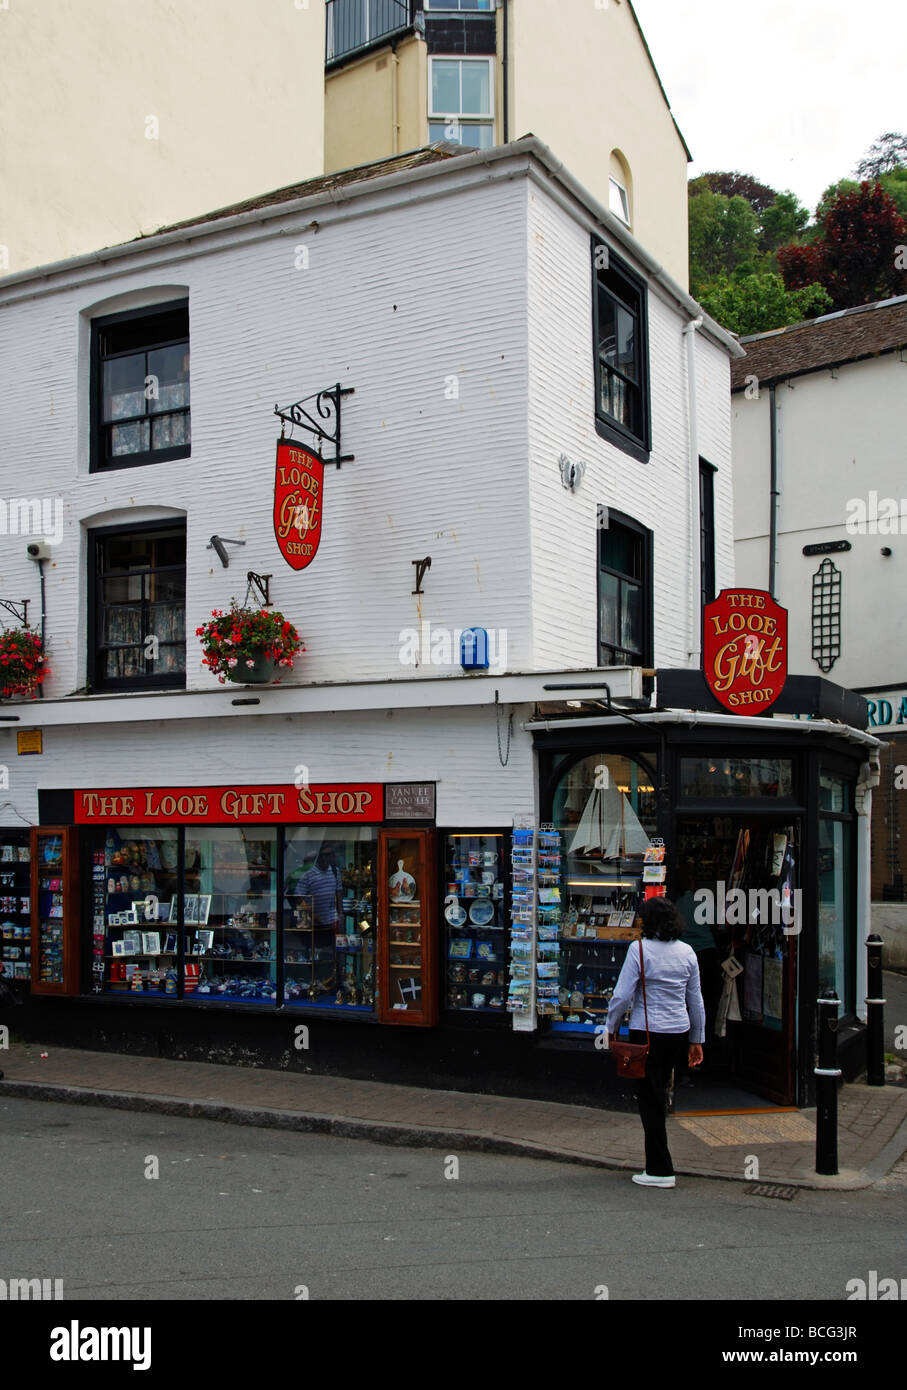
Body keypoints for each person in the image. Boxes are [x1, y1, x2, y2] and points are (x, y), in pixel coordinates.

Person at [605, 896, 705, 1188]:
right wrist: (697, 1039)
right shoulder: (687, 952)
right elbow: (695, 1000)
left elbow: (622, 996)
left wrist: (610, 1027)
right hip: (678, 1032)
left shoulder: (638, 950)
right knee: (660, 1093)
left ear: (646, 922)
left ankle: (660, 1170)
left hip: (646, 1033)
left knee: (650, 1100)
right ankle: (659, 1165)